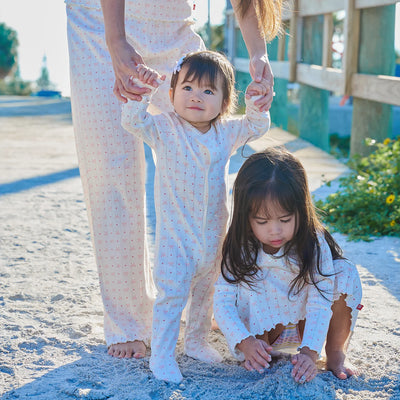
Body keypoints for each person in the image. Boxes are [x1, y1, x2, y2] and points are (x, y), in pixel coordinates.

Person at [66, 0, 282, 360]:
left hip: (174, 26)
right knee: (112, 171)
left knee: (203, 151)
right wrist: (116, 40)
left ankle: (210, 304)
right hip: (99, 21)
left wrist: (259, 54)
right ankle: (129, 321)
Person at [120, 50, 271, 382]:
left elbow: (256, 125)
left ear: (224, 102)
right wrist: (142, 94)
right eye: (187, 88)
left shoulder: (226, 132)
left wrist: (257, 102)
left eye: (208, 91)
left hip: (215, 234)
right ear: (171, 94)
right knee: (172, 293)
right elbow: (132, 121)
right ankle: (162, 353)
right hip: (176, 236)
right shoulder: (164, 128)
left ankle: (196, 341)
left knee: (208, 289)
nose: (196, 97)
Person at [213, 148, 363, 383]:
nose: (275, 230)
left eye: (285, 220)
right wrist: (246, 342)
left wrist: (310, 353)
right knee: (251, 281)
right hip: (262, 337)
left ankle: (335, 353)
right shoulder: (241, 246)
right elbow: (222, 301)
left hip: (306, 329)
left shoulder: (314, 242)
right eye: (262, 221)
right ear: (245, 215)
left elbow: (320, 300)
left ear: (301, 211)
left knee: (344, 272)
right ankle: (259, 355)